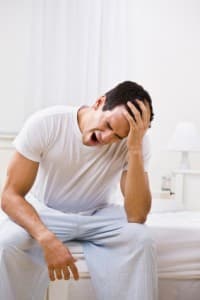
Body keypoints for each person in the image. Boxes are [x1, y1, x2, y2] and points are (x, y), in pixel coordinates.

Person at [0, 81, 158, 300]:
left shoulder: (136, 144)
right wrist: (46, 238)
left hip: (98, 217)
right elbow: (9, 196)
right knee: (7, 243)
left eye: (117, 137)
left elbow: (136, 215)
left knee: (141, 239)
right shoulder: (47, 123)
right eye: (109, 125)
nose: (106, 139)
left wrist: (134, 148)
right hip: (47, 213)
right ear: (99, 102)